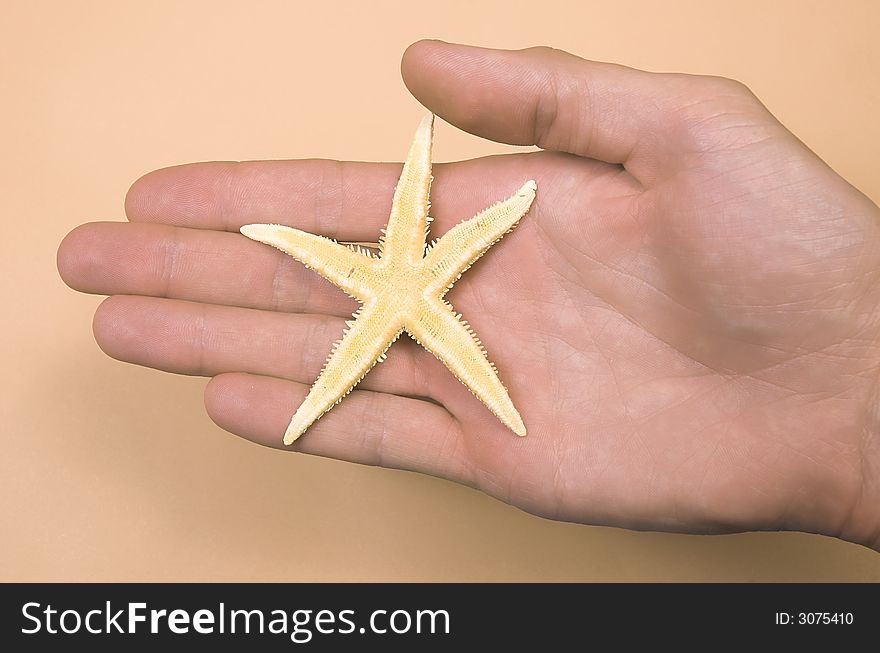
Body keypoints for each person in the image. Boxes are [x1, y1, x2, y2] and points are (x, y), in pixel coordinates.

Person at [57, 40, 880, 550]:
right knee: (322, 336)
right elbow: (334, 246)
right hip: (396, 295)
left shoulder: (431, 265)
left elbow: (468, 228)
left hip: (404, 293)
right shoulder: (386, 281)